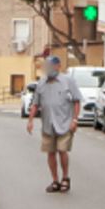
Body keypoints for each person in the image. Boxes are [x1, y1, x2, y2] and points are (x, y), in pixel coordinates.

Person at [27, 56, 84, 194]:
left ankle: (65, 178)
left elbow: (77, 101)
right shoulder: (41, 83)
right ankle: (55, 180)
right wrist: (30, 120)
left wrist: (75, 120)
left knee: (62, 150)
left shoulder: (68, 81)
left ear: (58, 66)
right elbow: (36, 103)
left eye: (51, 66)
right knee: (50, 152)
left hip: (64, 122)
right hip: (48, 124)